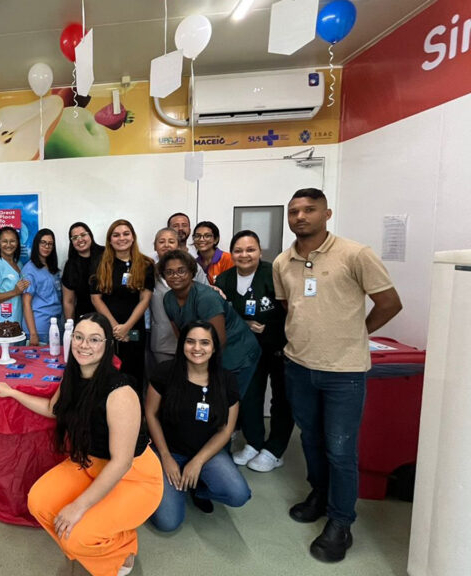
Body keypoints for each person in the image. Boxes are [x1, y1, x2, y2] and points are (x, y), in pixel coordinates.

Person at [272, 188, 402, 563]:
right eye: (294, 211)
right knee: (310, 439)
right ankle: (319, 495)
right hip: (299, 365)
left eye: (309, 210)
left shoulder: (355, 254)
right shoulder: (283, 262)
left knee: (341, 449)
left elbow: (390, 302)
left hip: (344, 372)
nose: (300, 217)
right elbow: (289, 307)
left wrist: (356, 332)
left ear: (327, 214)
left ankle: (341, 522)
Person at [0, 314, 162, 576]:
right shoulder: (74, 375)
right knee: (39, 503)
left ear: (107, 345)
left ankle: (120, 548)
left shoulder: (121, 391)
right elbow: (53, 408)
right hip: (89, 463)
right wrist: (13, 393)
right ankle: (114, 542)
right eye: (79, 337)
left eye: (94, 339)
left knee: (76, 536)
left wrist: (77, 507)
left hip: (133, 476)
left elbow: (122, 462)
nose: (84, 345)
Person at [147, 321, 251, 531]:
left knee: (239, 494)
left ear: (214, 348)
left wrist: (198, 461)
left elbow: (226, 429)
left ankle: (196, 486)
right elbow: (150, 413)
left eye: (205, 343)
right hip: (169, 451)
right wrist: (166, 457)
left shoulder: (226, 380)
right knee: (167, 523)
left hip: (207, 453)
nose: (197, 348)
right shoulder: (165, 372)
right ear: (182, 344)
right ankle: (169, 483)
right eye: (190, 342)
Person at [215, 231, 292, 473]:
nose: (244, 255)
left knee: (282, 398)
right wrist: (244, 323)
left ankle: (275, 450)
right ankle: (254, 442)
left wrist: (269, 327)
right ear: (232, 253)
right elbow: (220, 316)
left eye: (250, 250)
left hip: (279, 347)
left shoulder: (274, 274)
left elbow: (294, 310)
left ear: (259, 251)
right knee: (249, 395)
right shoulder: (224, 280)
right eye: (238, 250)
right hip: (246, 352)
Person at [160, 250, 261, 401]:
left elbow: (219, 340)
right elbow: (181, 336)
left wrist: (201, 369)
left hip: (237, 352)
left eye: (181, 271)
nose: (175, 276)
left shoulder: (206, 298)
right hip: (207, 354)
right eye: (169, 272)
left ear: (191, 272)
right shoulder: (168, 299)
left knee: (226, 403)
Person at [90, 219, 154, 391]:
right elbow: (96, 298)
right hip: (107, 328)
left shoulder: (146, 264)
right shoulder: (100, 263)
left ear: (133, 237)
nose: (121, 238)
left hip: (134, 329)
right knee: (108, 373)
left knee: (134, 372)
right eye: (116, 235)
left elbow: (145, 299)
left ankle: (135, 414)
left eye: (126, 234)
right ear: (110, 240)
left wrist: (127, 327)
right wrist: (116, 327)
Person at [22, 229, 62, 345]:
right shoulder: (29, 270)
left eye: (50, 244)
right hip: (39, 329)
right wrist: (33, 334)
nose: (46, 246)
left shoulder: (52, 268)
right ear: (36, 244)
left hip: (55, 325)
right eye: (43, 242)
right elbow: (26, 303)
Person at [146, 228, 179, 371]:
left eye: (171, 241)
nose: (166, 245)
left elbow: (205, 293)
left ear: (178, 244)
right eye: (161, 241)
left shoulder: (192, 267)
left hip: (190, 341)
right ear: (155, 246)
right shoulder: (148, 270)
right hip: (161, 341)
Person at [0, 226, 29, 330]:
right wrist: (15, 292)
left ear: (17, 243)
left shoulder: (19, 264)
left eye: (12, 241)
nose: (9, 245)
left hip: (15, 320)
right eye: (4, 241)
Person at [61, 222, 105, 321]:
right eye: (75, 238)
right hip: (84, 319)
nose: (80, 239)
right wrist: (70, 327)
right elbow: (69, 301)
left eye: (83, 235)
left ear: (90, 235)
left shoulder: (106, 255)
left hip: (109, 318)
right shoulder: (70, 265)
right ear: (71, 242)